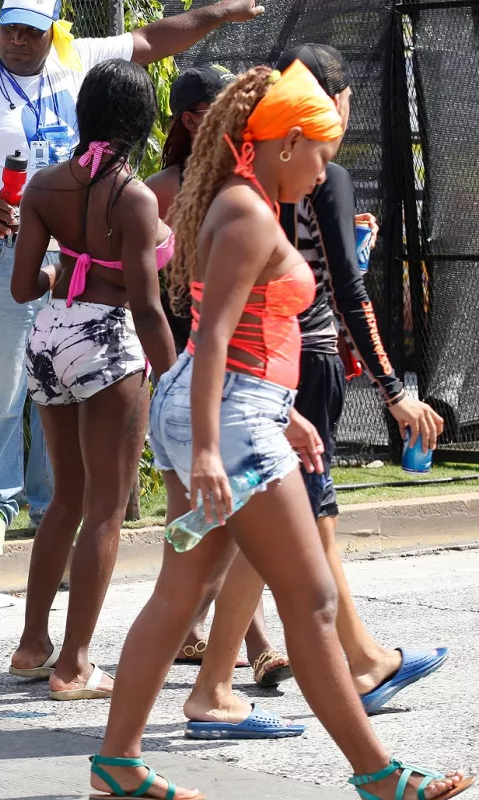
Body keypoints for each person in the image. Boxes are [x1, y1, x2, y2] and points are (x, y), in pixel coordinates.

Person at [91, 62, 474, 800]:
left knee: (180, 595)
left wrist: (285, 413)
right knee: (314, 601)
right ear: (289, 141)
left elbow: (234, 339)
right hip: (227, 421)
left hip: (240, 411)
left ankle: (118, 766)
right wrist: (211, 447)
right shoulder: (249, 214)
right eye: (324, 153)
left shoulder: (245, 203)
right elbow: (212, 337)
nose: (327, 170)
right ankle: (379, 776)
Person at [175, 43, 451, 739]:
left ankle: (338, 667)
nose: (325, 165)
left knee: (284, 540)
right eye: (322, 147)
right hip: (289, 374)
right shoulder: (285, 186)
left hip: (279, 384)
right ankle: (339, 680)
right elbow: (340, 295)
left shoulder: (254, 185)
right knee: (289, 553)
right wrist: (392, 390)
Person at [0, 0, 263, 556]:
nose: (19, 40)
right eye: (9, 29)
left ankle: (51, 504)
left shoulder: (76, 58)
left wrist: (217, 14)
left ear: (51, 30)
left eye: (32, 30)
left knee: (63, 382)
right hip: (2, 246)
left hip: (79, 257)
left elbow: (152, 42)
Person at [6, 60, 177, 700]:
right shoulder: (132, 196)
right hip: (106, 341)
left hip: (50, 336)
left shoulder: (45, 187)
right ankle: (75, 664)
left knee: (65, 501)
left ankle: (32, 646)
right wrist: (177, 378)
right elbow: (148, 306)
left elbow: (24, 285)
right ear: (142, 123)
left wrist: (67, 276)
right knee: (107, 507)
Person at [147, 64, 296, 693]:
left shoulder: (242, 188)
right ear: (191, 118)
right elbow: (147, 284)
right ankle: (245, 657)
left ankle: (204, 657)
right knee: (229, 533)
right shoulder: (178, 190)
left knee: (200, 537)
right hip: (202, 372)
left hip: (209, 376)